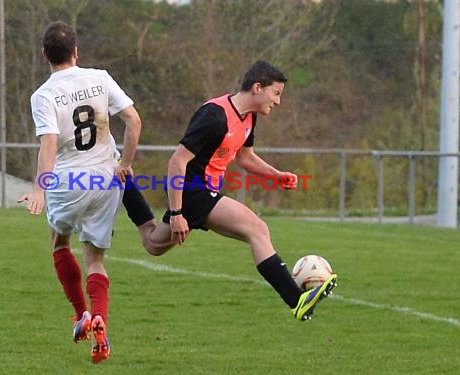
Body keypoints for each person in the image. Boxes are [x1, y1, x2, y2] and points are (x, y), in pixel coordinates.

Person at [122, 60, 337, 322]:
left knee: (152, 243)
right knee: (257, 229)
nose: (279, 101)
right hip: (192, 191)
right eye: (276, 93)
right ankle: (297, 300)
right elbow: (177, 161)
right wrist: (177, 211)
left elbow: (245, 157)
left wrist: (276, 176)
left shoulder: (248, 117)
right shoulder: (214, 116)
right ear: (258, 88)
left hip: (201, 193)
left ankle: (123, 184)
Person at [18, 21, 142, 364]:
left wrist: (40, 189)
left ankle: (80, 315)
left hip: (68, 183)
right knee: (96, 259)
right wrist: (125, 164)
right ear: (76, 51)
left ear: (45, 55)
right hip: (105, 178)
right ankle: (100, 316)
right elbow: (133, 121)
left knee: (60, 243)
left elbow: (50, 144)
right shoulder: (100, 78)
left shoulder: (43, 95)